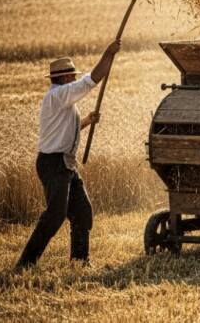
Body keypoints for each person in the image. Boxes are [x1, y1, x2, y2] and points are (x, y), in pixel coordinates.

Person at [16, 40, 121, 269]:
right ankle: (25, 263)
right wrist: (108, 52)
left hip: (65, 163)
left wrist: (87, 121)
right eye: (71, 76)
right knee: (55, 215)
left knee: (82, 212)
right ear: (63, 79)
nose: (74, 79)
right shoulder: (58, 95)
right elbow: (92, 80)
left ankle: (80, 261)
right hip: (54, 163)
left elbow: (63, 131)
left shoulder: (61, 98)